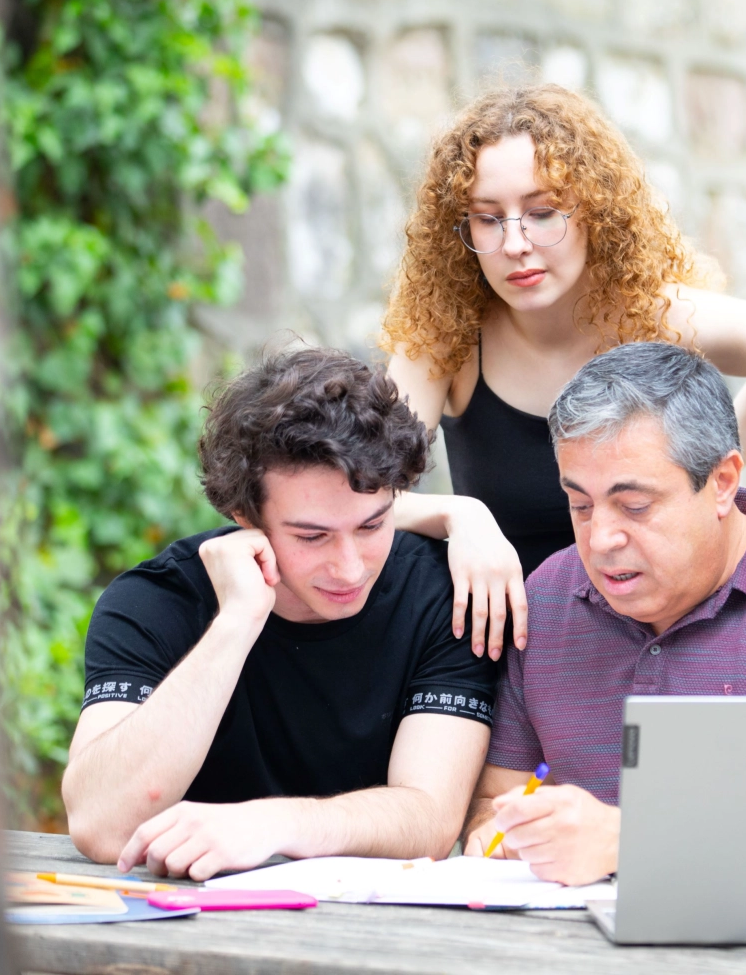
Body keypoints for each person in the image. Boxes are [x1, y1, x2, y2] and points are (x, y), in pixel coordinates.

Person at [381, 84, 746, 660]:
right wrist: (456, 515)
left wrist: (702, 474)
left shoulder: (653, 315)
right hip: (513, 653)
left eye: (543, 213)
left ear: (594, 209)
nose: (516, 243)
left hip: (658, 641)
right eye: (487, 220)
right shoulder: (445, 338)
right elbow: (361, 495)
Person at [461, 343, 746, 885]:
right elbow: (497, 800)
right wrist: (504, 835)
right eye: (579, 505)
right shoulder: (551, 595)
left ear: (722, 483)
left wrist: (626, 842)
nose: (601, 539)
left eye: (635, 506)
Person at [61, 349, 498, 880]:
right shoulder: (153, 602)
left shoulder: (443, 595)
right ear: (244, 515)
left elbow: (430, 818)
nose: (351, 567)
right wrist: (236, 623)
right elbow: (100, 825)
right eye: (312, 536)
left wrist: (274, 825)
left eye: (373, 525)